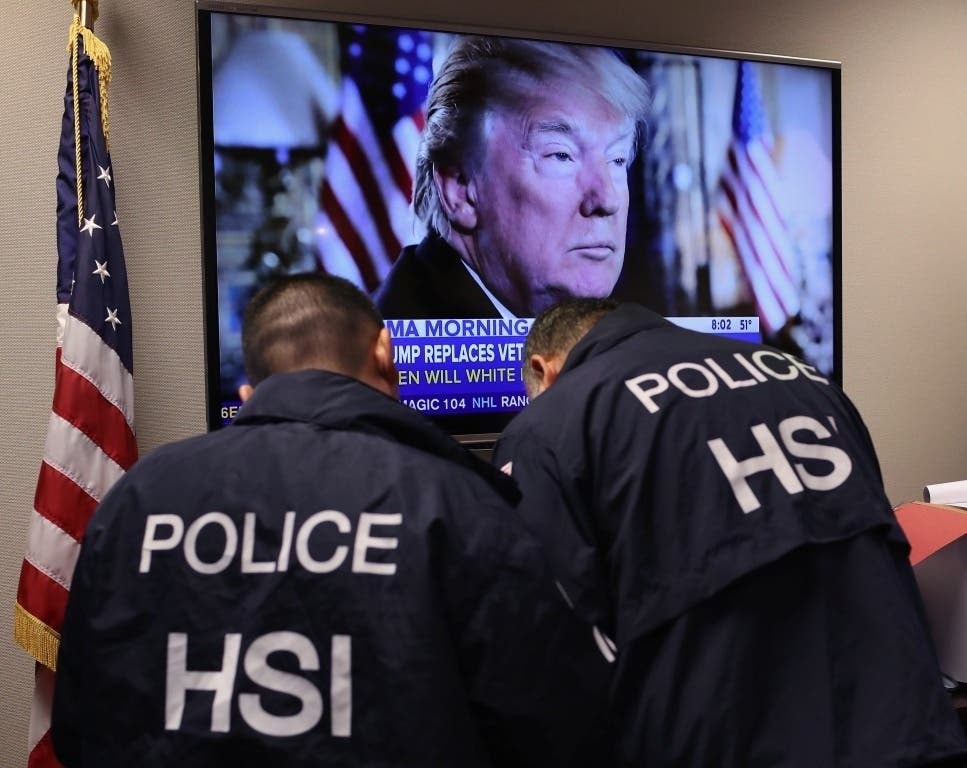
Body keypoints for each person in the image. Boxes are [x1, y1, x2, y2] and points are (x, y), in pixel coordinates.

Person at [50, 274, 612, 767]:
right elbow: (553, 727)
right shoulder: (458, 503)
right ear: (385, 352)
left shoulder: (138, 498)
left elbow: (79, 722)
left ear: (250, 392)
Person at [493, 298, 967, 767]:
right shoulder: (804, 376)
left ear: (544, 369)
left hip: (728, 740)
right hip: (910, 725)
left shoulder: (549, 424)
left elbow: (553, 638)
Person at [374, 36, 650, 320]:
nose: (607, 199)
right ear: (461, 190)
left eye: (618, 159)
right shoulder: (391, 340)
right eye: (561, 155)